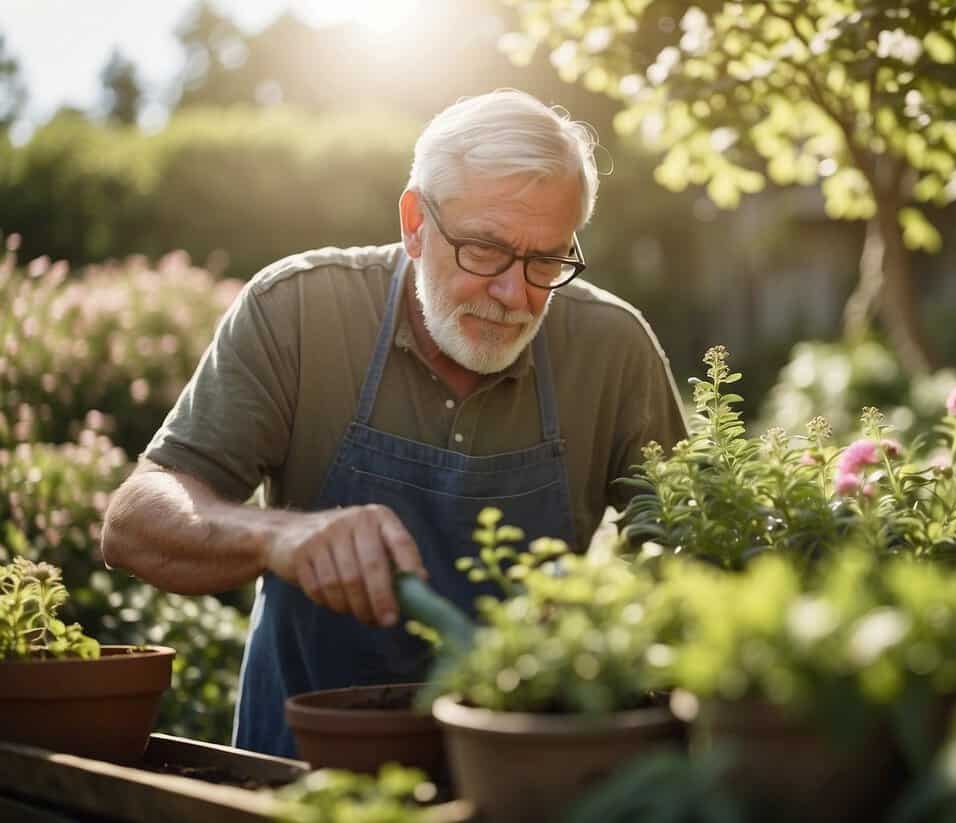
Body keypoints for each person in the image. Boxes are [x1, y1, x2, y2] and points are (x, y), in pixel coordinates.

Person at [100, 89, 688, 757]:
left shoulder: (613, 347)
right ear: (415, 221)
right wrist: (278, 536)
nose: (514, 295)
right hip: (302, 772)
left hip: (522, 772)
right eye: (486, 250)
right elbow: (134, 522)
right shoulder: (298, 312)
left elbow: (688, 559)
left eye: (546, 260)